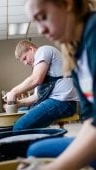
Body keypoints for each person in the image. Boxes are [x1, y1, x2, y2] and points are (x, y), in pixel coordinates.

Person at [17, 0, 96, 169]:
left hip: (63, 102)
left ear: (67, 4)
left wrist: (55, 167)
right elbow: (91, 120)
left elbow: (35, 80)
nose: (41, 29)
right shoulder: (75, 53)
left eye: (43, 17)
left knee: (22, 130)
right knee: (35, 151)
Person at [4, 40, 78, 131]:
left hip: (63, 102)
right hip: (57, 101)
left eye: (24, 58)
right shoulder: (39, 68)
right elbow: (36, 96)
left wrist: (13, 92)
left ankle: (47, 143)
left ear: (31, 49)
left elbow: (36, 79)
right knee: (20, 113)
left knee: (19, 127)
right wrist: (18, 104)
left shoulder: (43, 50)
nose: (25, 63)